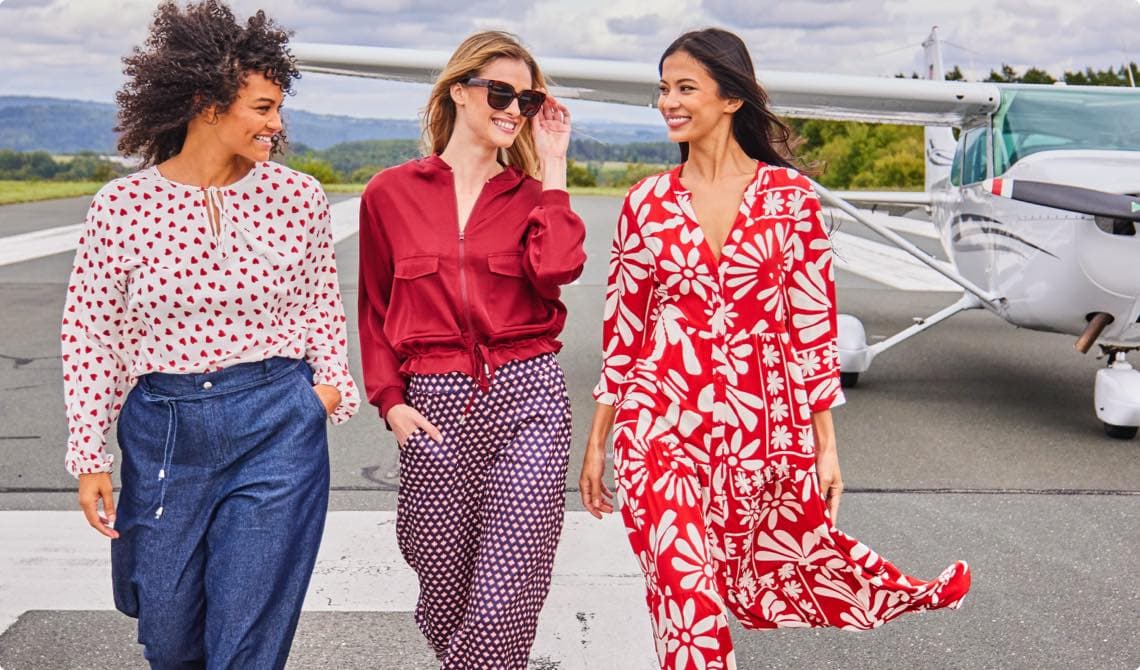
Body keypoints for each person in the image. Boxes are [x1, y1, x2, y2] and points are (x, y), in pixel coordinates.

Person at [578, 28, 971, 668]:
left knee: (765, 563)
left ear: (731, 98)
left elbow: (812, 328)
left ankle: (903, 594)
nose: (667, 103)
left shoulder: (789, 201)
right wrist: (598, 440)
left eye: (684, 88)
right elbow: (625, 333)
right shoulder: (645, 202)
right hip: (657, 428)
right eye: (662, 89)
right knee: (686, 603)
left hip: (756, 430)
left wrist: (826, 445)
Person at [61, 2, 358, 667]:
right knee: (169, 638)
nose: (277, 125)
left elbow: (320, 306)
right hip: (166, 430)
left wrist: (328, 392)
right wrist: (90, 455)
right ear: (208, 104)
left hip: (278, 423)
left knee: (246, 637)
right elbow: (90, 329)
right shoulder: (123, 205)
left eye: (278, 107)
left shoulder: (299, 197)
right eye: (262, 107)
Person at [356, 30, 586, 670]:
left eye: (529, 100)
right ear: (459, 90)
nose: (515, 109)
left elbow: (559, 269)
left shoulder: (533, 197)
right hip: (432, 405)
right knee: (442, 587)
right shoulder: (389, 194)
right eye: (502, 92)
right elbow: (375, 310)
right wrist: (390, 402)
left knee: (507, 588)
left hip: (529, 400)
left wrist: (555, 164)